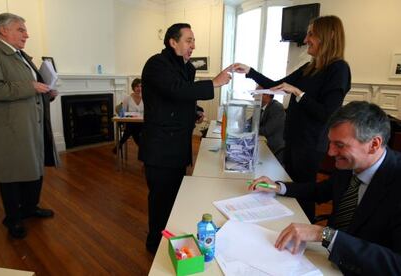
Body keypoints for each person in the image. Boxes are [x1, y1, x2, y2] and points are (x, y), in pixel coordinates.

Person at [248, 101, 401, 275]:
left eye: (340, 145)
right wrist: (278, 187)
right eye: (330, 143)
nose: (330, 152)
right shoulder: (351, 164)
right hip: (327, 260)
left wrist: (325, 235)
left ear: (374, 144)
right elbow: (322, 190)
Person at [234, 15, 351, 222]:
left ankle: (305, 232)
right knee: (289, 191)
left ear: (328, 36)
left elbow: (327, 114)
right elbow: (276, 85)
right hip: (294, 142)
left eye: (311, 34)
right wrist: (251, 72)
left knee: (304, 195)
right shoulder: (309, 68)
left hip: (310, 146)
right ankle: (288, 227)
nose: (306, 40)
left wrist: (298, 93)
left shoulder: (339, 69)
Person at [139, 23, 231, 253]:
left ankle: (168, 241)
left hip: (177, 148)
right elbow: (176, 90)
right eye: (189, 40)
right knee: (161, 202)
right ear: (173, 42)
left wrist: (195, 110)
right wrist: (214, 82)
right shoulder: (156, 64)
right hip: (160, 150)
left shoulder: (184, 67)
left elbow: (178, 100)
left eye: (193, 40)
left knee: (174, 199)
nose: (193, 45)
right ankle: (155, 246)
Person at [0, 13, 59, 239]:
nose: (27, 35)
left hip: (31, 124)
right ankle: (13, 218)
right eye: (21, 30)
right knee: (12, 174)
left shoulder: (21, 55)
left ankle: (30, 207)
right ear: (3, 30)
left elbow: (32, 88)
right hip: (10, 128)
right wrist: (30, 86)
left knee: (34, 167)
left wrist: (48, 92)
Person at [113, 78, 143, 153]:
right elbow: (118, 109)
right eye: (137, 86)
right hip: (131, 123)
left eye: (141, 86)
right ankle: (143, 149)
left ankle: (120, 144)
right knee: (132, 127)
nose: (139, 88)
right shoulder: (128, 98)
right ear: (133, 88)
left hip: (143, 123)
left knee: (131, 129)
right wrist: (120, 110)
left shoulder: (146, 98)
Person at [256, 87, 286, 163]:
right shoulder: (260, 107)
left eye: (257, 94)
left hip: (275, 148)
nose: (254, 97)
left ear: (267, 95)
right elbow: (250, 122)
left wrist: (251, 128)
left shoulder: (276, 107)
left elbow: (267, 130)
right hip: (264, 143)